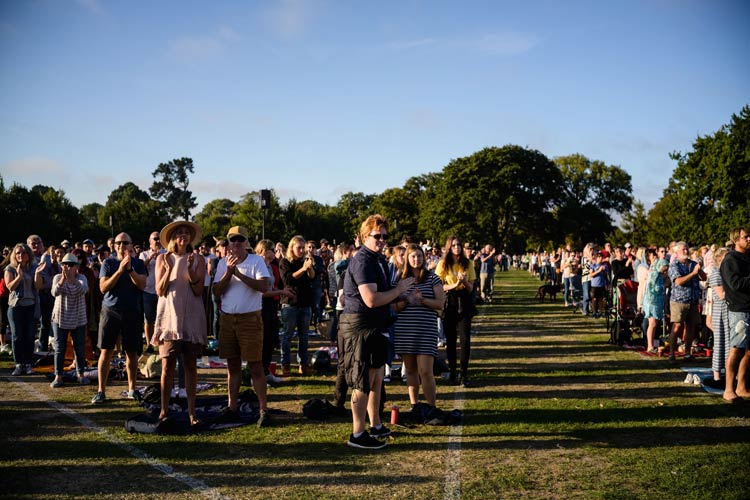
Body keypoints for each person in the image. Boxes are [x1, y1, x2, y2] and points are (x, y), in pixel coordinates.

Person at [339, 214, 414, 449]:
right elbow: (370, 299)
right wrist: (400, 289)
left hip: (375, 325)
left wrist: (404, 295)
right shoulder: (363, 260)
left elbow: (384, 294)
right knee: (363, 380)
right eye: (377, 236)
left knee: (377, 379)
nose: (382, 240)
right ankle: (357, 434)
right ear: (364, 237)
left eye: (384, 236)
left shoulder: (378, 259)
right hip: (361, 325)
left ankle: (376, 424)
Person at [150, 221, 208, 427]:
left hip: (192, 317)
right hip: (169, 318)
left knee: (191, 366)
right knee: (167, 366)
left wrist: (191, 270)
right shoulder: (162, 258)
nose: (183, 235)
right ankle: (164, 410)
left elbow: (199, 290)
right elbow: (159, 290)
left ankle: (192, 412)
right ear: (173, 238)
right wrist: (168, 269)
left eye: (186, 233)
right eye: (179, 233)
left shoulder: (199, 259)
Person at [212, 226, 272, 427]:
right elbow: (217, 291)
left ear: (247, 242)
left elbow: (264, 287)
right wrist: (228, 273)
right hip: (228, 319)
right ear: (228, 243)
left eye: (240, 239)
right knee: (232, 366)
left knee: (256, 366)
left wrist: (238, 273)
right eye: (232, 240)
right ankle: (232, 407)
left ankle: (263, 409)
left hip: (250, 319)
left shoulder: (256, 261)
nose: (236, 243)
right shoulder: (222, 263)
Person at [91, 232, 147, 404]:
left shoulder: (139, 263)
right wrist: (120, 270)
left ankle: (132, 389)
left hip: (132, 311)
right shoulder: (108, 263)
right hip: (111, 311)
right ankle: (101, 391)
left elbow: (142, 284)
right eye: (118, 243)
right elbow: (103, 287)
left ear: (131, 245)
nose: (121, 246)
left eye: (125, 243)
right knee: (106, 351)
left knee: (131, 352)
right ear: (113, 246)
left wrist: (129, 269)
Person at [392, 244, 444, 407]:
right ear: (407, 258)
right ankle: (415, 405)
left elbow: (440, 304)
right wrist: (407, 300)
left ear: (424, 258)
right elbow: (393, 306)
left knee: (426, 371)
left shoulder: (432, 278)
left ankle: (431, 406)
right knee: (410, 371)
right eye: (413, 256)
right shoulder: (399, 279)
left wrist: (422, 300)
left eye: (419, 256)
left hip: (426, 329)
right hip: (405, 329)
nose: (416, 259)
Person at [435, 235, 476, 386]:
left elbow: (471, 288)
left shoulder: (468, 263)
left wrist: (464, 281)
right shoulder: (442, 264)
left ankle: (464, 373)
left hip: (464, 300)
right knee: (450, 340)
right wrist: (454, 284)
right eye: (453, 245)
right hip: (449, 300)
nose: (457, 248)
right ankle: (452, 370)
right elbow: (438, 286)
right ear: (448, 247)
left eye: (458, 245)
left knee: (465, 340)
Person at [255, 239, 295, 385]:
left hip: (270, 304)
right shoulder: (258, 264)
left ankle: (266, 371)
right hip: (260, 305)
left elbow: (271, 287)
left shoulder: (270, 266)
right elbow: (261, 292)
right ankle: (259, 374)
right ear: (265, 250)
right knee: (263, 340)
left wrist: (281, 291)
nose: (275, 252)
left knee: (270, 339)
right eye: (272, 249)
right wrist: (282, 291)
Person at [49, 253, 90, 387]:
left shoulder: (82, 278)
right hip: (60, 317)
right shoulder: (57, 277)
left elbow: (83, 290)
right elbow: (54, 292)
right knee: (59, 348)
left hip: (78, 317)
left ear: (76, 267)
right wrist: (63, 279)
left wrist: (72, 279)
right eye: (65, 264)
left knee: (79, 347)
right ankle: (58, 376)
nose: (67, 267)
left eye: (71, 265)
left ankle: (80, 374)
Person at [720, 227, 750, 403]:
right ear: (736, 239)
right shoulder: (730, 259)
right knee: (737, 349)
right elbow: (735, 284)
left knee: (748, 351)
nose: (749, 239)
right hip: (739, 309)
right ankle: (729, 389)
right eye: (746, 237)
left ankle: (742, 386)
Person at [279, 235, 315, 376]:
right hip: (290, 304)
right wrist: (303, 269)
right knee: (287, 336)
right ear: (292, 248)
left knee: (304, 336)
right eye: (298, 247)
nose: (301, 250)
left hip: (305, 303)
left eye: (303, 247)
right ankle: (285, 365)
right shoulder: (284, 262)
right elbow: (288, 280)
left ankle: (303, 364)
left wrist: (309, 267)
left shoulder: (305, 261)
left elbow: (312, 276)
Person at [4, 243, 41, 375]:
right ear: (14, 255)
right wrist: (19, 277)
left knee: (30, 336)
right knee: (17, 336)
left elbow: (38, 286)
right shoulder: (10, 268)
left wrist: (37, 274)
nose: (20, 255)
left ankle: (28, 363)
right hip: (16, 307)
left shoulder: (33, 268)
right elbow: (10, 287)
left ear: (28, 255)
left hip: (31, 306)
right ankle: (19, 364)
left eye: (23, 253)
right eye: (18, 253)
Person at [668, 241, 706, 363]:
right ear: (676, 252)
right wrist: (693, 274)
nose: (686, 251)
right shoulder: (675, 265)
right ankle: (671, 354)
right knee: (677, 326)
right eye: (683, 249)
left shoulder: (693, 264)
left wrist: (699, 270)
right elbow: (678, 281)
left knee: (691, 327)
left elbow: (704, 278)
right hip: (679, 301)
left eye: (687, 249)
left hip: (693, 301)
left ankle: (687, 353)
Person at [139, 231, 164, 353]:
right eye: (155, 238)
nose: (157, 241)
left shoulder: (166, 253)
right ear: (150, 242)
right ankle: (149, 344)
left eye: (159, 238)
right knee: (148, 320)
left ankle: (161, 343)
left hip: (162, 292)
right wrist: (150, 257)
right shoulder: (144, 254)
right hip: (148, 291)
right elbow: (140, 268)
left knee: (163, 320)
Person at [709, 247, 730, 382]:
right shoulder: (716, 273)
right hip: (720, 312)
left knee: (730, 344)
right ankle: (716, 375)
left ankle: (730, 373)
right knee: (720, 343)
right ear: (719, 259)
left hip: (730, 311)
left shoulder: (728, 272)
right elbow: (722, 294)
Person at [642, 259, 670, 353]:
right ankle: (649, 346)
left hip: (657, 302)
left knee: (655, 324)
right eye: (664, 269)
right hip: (652, 302)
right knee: (652, 324)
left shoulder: (661, 276)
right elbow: (653, 288)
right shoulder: (654, 275)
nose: (665, 271)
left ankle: (652, 344)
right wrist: (664, 285)